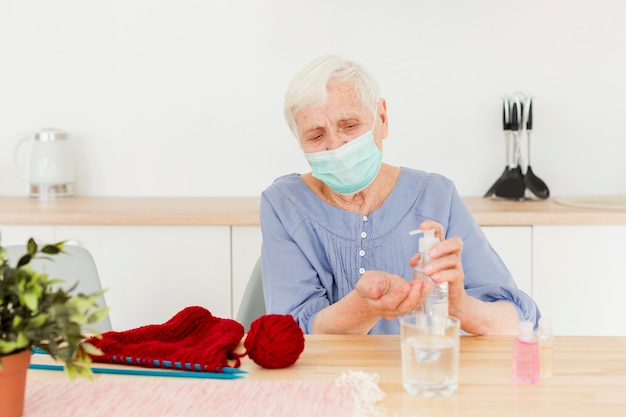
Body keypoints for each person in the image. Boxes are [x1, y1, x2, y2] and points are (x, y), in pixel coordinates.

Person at [259, 54, 540, 335]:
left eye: (349, 125)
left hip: (423, 373)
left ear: (381, 118)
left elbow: (519, 321)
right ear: (299, 141)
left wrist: (460, 307)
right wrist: (365, 305)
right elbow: (291, 332)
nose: (335, 146)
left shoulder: (436, 196)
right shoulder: (283, 204)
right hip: (329, 379)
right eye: (316, 136)